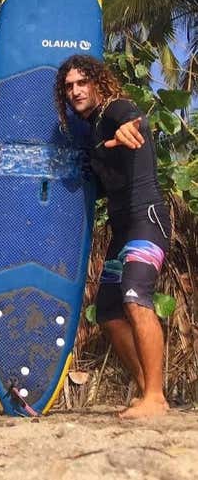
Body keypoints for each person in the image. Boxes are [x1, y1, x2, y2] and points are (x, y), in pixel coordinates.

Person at [55, 54, 171, 418]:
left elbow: (135, 118)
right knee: (107, 310)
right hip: (123, 230)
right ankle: (146, 389)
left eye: (81, 82)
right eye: (69, 86)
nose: (75, 91)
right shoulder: (93, 132)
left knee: (136, 297)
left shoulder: (114, 111)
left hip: (146, 219)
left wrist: (127, 128)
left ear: (97, 82)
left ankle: (155, 395)